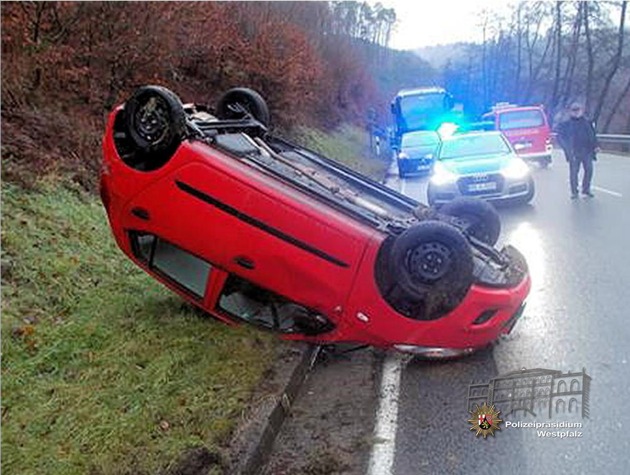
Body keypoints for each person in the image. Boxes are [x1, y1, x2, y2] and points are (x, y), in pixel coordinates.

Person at [556, 102, 599, 199]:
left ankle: (586, 189)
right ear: (570, 111)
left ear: (581, 111)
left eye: (578, 110)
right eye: (574, 110)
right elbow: (560, 137)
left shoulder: (587, 122)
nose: (576, 112)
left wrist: (596, 146)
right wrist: (566, 148)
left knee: (589, 170)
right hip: (573, 152)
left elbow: (593, 135)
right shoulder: (566, 124)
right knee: (574, 172)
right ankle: (574, 192)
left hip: (587, 151)